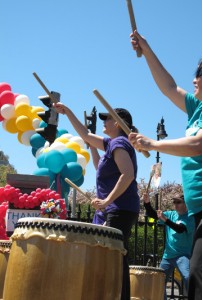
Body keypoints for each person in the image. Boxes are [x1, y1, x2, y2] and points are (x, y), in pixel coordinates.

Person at [128, 30, 202, 300]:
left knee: (201, 272)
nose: (193, 79)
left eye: (199, 73)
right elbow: (168, 87)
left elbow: (199, 145)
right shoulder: (199, 108)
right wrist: (146, 49)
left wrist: (153, 144)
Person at [53, 103, 140, 300]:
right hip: (116, 208)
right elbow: (85, 135)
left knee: (113, 257)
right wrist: (68, 112)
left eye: (107, 118)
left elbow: (127, 175)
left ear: (118, 124)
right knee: (113, 256)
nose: (104, 121)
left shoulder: (119, 144)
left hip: (120, 209)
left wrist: (107, 200)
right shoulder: (112, 144)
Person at [143, 192, 195, 299]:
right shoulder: (171, 214)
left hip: (183, 255)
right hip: (168, 256)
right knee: (159, 282)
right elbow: (153, 214)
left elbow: (179, 229)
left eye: (178, 202)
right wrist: (147, 203)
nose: (175, 204)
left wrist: (165, 220)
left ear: (186, 203)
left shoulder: (190, 217)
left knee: (188, 278)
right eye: (174, 202)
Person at [89, 145, 105, 225]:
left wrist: (105, 202)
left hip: (112, 214)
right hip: (100, 215)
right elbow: (100, 169)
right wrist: (92, 146)